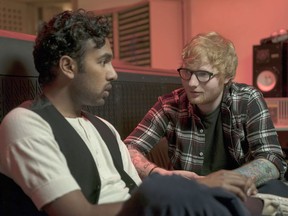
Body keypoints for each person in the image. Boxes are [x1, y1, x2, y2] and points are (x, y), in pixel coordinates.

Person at [0, 10, 255, 216]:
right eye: (103, 61)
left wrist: (192, 186)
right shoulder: (26, 123)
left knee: (256, 195)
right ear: (68, 66)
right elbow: (76, 212)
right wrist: (183, 188)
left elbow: (136, 191)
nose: (113, 73)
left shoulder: (104, 128)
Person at [124, 32, 288, 198]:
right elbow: (127, 150)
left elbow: (271, 159)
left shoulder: (247, 99)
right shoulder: (170, 104)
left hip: (241, 193)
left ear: (227, 77)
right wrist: (161, 174)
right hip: (192, 195)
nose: (192, 83)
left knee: (275, 189)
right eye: (187, 72)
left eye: (203, 74)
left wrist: (225, 182)